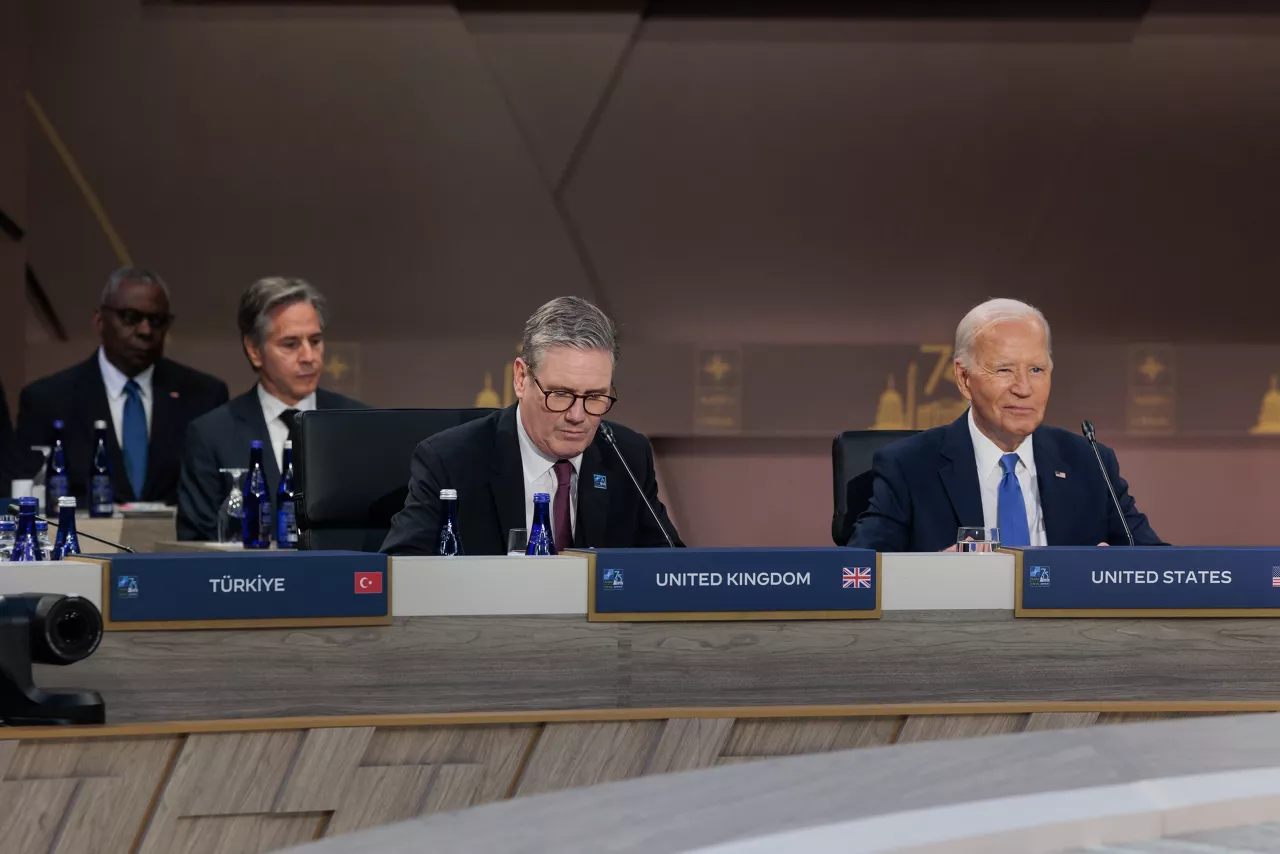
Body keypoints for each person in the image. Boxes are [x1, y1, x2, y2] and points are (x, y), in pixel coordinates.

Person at [850, 298, 1163, 552]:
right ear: (963, 378)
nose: (1024, 388)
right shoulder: (908, 466)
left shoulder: (1090, 462)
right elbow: (859, 575)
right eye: (1004, 370)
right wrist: (932, 574)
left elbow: (1158, 567)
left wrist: (1118, 572)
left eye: (1037, 369)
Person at [382, 296, 682, 555]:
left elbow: (669, 566)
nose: (578, 415)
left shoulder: (626, 456)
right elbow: (401, 569)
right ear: (521, 379)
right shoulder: (451, 461)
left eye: (595, 397)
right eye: (560, 395)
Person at [12, 267, 228, 505]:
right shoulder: (48, 400)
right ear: (99, 321)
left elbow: (213, 494)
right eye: (130, 318)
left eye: (157, 321)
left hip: (172, 540)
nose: (146, 331)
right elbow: (28, 499)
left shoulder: (204, 396)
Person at [177, 277, 366, 541]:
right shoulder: (211, 435)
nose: (309, 357)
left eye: (315, 341)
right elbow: (197, 543)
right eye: (291, 344)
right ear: (254, 350)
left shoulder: (359, 424)